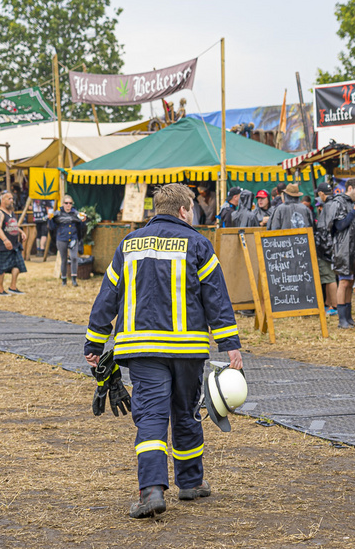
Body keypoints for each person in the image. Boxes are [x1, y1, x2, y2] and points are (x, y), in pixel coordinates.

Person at [83, 183, 242, 519]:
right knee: (185, 412)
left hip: (142, 351)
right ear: (184, 210)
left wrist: (95, 343)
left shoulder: (128, 244)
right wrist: (231, 347)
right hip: (188, 352)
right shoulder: (198, 243)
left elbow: (107, 297)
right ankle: (190, 483)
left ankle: (152, 491)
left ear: (157, 209)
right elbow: (216, 299)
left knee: (152, 418)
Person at [319, 177, 355, 328]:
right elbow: (340, 225)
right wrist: (354, 211)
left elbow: (351, 223)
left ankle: (349, 318)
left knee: (351, 281)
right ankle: (342, 320)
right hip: (343, 250)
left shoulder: (350, 203)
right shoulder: (339, 202)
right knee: (344, 282)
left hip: (354, 249)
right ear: (350, 188)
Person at [0, 192, 28, 296]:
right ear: (2, 200)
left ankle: (13, 287)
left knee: (18, 265)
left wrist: (21, 232)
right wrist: (5, 240)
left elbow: (13, 225)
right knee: (1, 269)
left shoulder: (11, 212)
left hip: (14, 245)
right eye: (9, 199)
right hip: (2, 245)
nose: (12, 201)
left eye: (12, 198)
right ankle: (0, 290)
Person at [49, 196, 87, 286]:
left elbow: (82, 227)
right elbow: (51, 227)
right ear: (63, 204)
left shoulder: (77, 214)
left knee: (74, 257)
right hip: (61, 238)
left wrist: (83, 221)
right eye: (66, 203)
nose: (68, 205)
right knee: (64, 259)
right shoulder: (57, 214)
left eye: (70, 203)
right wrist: (50, 219)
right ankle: (64, 280)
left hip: (73, 238)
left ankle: (74, 279)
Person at [314, 183, 339, 315]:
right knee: (330, 277)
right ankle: (329, 304)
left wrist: (324, 250)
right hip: (334, 246)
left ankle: (334, 306)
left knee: (329, 278)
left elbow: (324, 229)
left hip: (327, 248)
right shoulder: (335, 203)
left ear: (321, 194)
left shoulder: (327, 206)